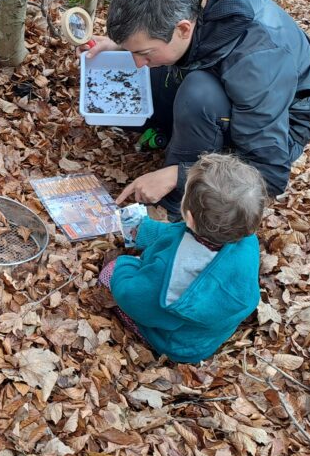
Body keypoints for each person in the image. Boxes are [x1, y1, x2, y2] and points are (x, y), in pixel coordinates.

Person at [83, 0, 310, 217]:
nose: (137, 62)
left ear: (183, 29)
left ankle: (178, 206)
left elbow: (269, 174)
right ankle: (174, 135)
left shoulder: (257, 61)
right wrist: (120, 45)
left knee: (198, 93)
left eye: (143, 52)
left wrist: (179, 175)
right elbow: (160, 39)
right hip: (235, 89)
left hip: (278, 131)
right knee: (151, 76)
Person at [101, 153, 265, 363]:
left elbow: (135, 300)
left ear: (189, 217)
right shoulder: (245, 239)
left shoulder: (174, 271)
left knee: (110, 272)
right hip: (207, 334)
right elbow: (179, 234)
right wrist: (146, 231)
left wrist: (126, 266)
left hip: (175, 343)